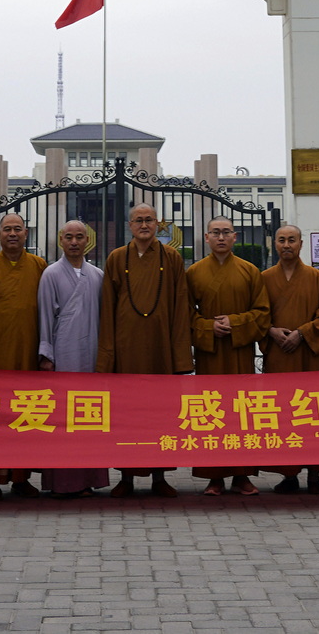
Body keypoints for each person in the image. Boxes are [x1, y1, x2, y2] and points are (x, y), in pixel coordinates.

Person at [96, 203, 192, 498]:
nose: (144, 225)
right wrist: (108, 355)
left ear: (158, 224)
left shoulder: (171, 257)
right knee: (127, 417)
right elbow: (108, 308)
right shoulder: (117, 257)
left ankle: (160, 477)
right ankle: (125, 477)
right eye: (138, 220)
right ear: (130, 225)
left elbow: (180, 306)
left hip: (160, 350)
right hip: (126, 350)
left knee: (159, 417)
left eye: (149, 220)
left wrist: (179, 355)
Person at [187, 217, 270, 497]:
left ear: (235, 237)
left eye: (226, 233)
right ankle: (214, 477)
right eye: (215, 233)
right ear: (206, 237)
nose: (221, 237)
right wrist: (208, 326)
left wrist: (234, 323)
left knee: (241, 413)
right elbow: (185, 315)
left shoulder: (250, 271)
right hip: (210, 354)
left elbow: (262, 312)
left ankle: (242, 475)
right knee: (212, 413)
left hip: (239, 353)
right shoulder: (194, 272)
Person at [0, 212, 48, 500]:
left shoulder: (39, 266)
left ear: (26, 234)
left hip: (28, 355)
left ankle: (21, 478)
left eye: (17, 229)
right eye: (7, 230)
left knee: (26, 417)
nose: (12, 234)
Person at [36, 219, 110, 498]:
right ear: (61, 240)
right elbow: (44, 316)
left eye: (80, 237)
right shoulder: (51, 274)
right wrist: (47, 354)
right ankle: (63, 482)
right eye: (69, 237)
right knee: (62, 419)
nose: (75, 242)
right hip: (63, 354)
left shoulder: (97, 275)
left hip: (90, 353)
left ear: (87, 240)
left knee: (88, 417)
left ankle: (89, 479)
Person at [259, 224, 319, 494]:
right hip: (279, 355)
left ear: (301, 244)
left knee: (312, 416)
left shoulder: (316, 277)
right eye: (282, 240)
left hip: (308, 357)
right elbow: (258, 313)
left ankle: (314, 473)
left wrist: (303, 333)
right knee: (283, 416)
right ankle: (288, 474)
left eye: (292, 240)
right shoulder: (265, 278)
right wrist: (271, 331)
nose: (287, 245)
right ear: (274, 244)